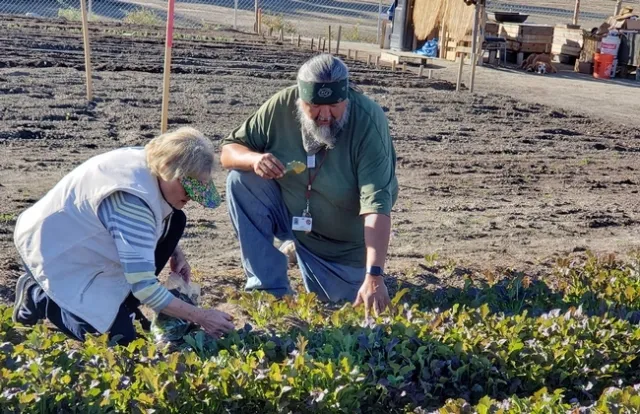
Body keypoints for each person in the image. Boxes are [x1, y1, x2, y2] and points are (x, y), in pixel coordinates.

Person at [12, 127, 235, 345]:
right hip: (50, 252)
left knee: (176, 220)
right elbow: (145, 287)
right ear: (168, 169)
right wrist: (200, 316)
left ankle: (123, 306)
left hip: (83, 239)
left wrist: (176, 253)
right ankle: (39, 295)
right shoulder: (132, 203)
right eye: (187, 187)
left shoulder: (152, 161)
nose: (191, 197)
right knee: (119, 341)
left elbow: (153, 228)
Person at [220, 54, 398, 317]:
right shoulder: (279, 106)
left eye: (334, 106)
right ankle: (267, 288)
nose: (325, 116)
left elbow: (377, 208)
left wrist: (374, 274)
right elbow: (228, 152)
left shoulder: (368, 122)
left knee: (345, 309)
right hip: (290, 213)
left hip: (339, 244)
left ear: (346, 97)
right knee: (241, 179)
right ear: (300, 100)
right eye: (314, 106)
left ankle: (316, 259)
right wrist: (254, 159)